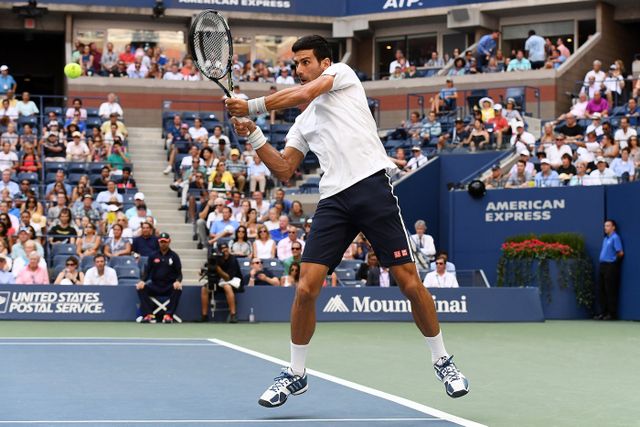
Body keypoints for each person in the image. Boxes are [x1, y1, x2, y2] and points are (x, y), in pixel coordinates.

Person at [225, 34, 468, 406]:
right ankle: (295, 373)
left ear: (324, 64)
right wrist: (255, 134)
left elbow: (305, 93)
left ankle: (443, 361)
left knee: (408, 282)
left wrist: (251, 106)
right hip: (333, 199)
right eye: (295, 64)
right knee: (306, 287)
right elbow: (285, 169)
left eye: (305, 62)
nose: (299, 70)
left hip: (372, 187)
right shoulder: (303, 124)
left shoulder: (341, 74)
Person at [136, 232, 182, 323]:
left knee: (178, 289)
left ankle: (168, 315)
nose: (163, 243)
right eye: (161, 241)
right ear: (158, 242)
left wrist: (178, 281)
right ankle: (149, 314)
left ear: (169, 241)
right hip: (155, 285)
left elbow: (179, 273)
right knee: (140, 288)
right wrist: (142, 281)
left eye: (165, 241)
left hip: (169, 286)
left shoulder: (174, 256)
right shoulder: (153, 256)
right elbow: (147, 271)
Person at [200, 243, 243, 323]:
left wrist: (217, 268)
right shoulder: (216, 258)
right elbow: (208, 268)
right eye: (222, 248)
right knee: (204, 289)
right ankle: (204, 316)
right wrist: (204, 271)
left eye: (225, 248)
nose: (224, 250)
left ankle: (233, 315)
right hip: (218, 281)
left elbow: (227, 278)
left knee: (227, 287)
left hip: (232, 282)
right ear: (219, 250)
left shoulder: (232, 259)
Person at [595, 219, 624, 320]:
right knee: (601, 290)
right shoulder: (605, 238)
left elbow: (620, 253)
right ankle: (603, 313)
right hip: (602, 266)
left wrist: (613, 262)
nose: (605, 228)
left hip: (610, 266)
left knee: (610, 290)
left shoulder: (615, 237)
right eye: (605, 226)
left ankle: (612, 314)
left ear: (613, 227)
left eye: (607, 226)